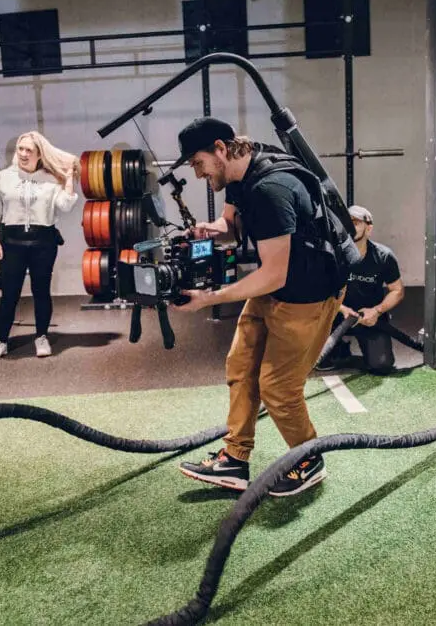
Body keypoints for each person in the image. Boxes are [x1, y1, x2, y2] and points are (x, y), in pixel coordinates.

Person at [170, 117, 345, 497]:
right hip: (279, 284)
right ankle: (234, 459)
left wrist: (211, 299)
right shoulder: (239, 172)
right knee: (240, 365)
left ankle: (308, 458)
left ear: (220, 148)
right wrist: (209, 230)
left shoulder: (271, 189)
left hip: (308, 293)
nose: (198, 173)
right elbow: (231, 228)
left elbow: (273, 275)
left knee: (278, 387)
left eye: (198, 163)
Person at [0, 131, 79, 361]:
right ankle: (1, 341)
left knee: (41, 291)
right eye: (20, 149)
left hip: (43, 242)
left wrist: (68, 180)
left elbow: (65, 206)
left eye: (29, 150)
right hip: (12, 242)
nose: (23, 154)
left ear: (39, 154)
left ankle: (42, 337)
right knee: (9, 294)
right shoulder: (3, 178)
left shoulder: (51, 179)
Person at [315, 205, 404, 375]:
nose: (349, 227)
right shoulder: (332, 255)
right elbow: (320, 289)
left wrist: (376, 311)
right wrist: (341, 308)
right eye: (346, 223)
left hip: (369, 318)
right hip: (336, 316)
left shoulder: (383, 256)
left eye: (355, 223)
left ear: (369, 228)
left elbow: (397, 290)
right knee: (317, 359)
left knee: (382, 364)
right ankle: (338, 349)